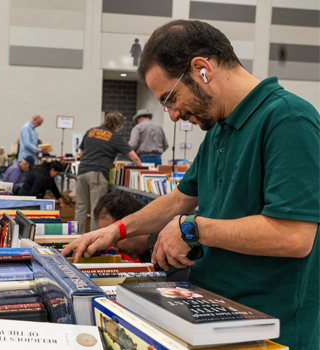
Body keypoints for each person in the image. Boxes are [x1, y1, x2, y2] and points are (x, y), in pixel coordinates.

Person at [62, 20, 320, 349]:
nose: (171, 115)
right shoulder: (219, 130)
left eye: (170, 98)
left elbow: (294, 237)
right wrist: (116, 231)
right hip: (213, 312)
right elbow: (178, 201)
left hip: (268, 330)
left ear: (201, 69)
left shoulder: (288, 120)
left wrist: (192, 229)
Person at [93, 191, 188, 282]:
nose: (114, 249)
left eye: (115, 237)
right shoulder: (146, 252)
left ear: (133, 226)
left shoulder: (172, 253)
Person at [76, 111, 142, 233]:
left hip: (82, 172)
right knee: (97, 210)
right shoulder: (115, 137)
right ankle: (94, 242)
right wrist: (141, 169)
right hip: (97, 174)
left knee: (80, 207)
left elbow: (81, 153)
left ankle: (75, 238)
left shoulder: (91, 131)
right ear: (118, 125)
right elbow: (134, 157)